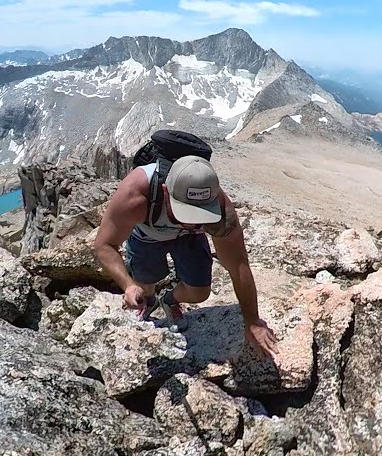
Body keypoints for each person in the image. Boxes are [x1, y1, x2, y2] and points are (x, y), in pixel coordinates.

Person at [92, 152, 279, 359]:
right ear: (166, 191)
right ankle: (149, 300)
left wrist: (252, 320)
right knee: (144, 285)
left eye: (201, 215)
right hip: (147, 235)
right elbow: (104, 244)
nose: (192, 223)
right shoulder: (136, 195)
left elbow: (238, 265)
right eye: (186, 212)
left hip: (188, 238)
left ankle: (169, 301)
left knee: (199, 292)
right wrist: (128, 285)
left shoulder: (221, 209)